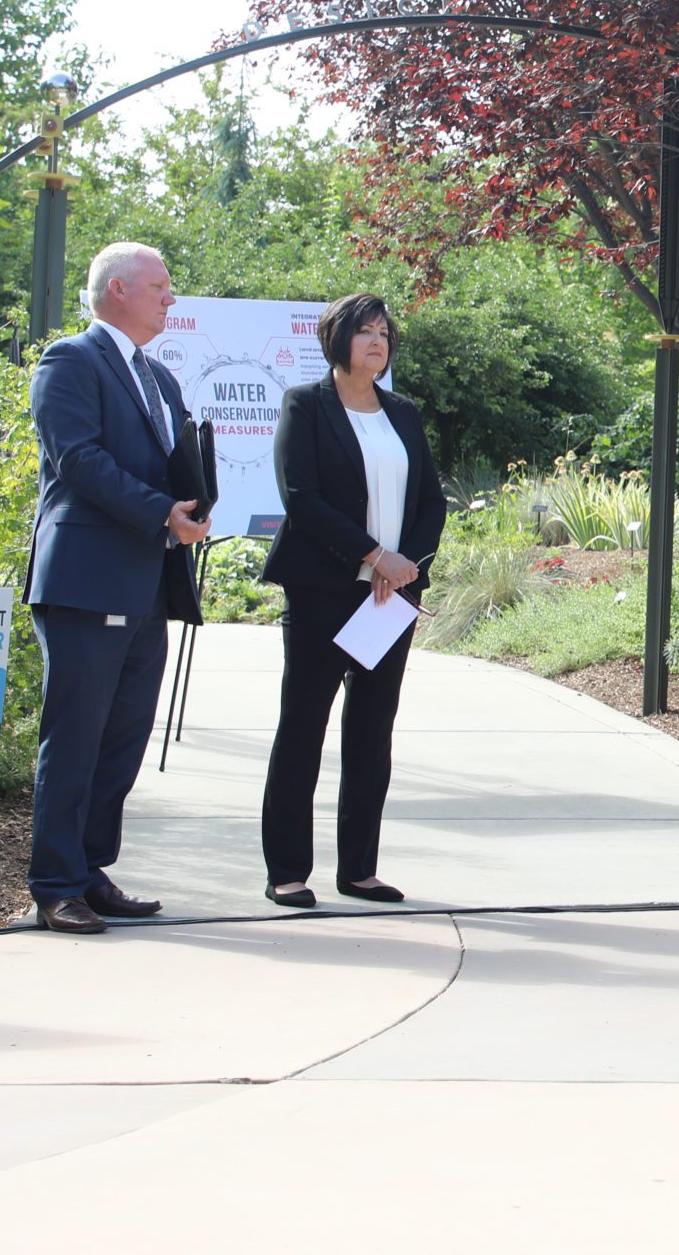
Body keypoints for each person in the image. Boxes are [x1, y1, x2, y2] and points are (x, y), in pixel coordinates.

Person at [22, 242, 210, 934]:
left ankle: (91, 869)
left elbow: (172, 463)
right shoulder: (70, 360)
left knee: (123, 735)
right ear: (118, 289)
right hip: (85, 578)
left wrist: (193, 503)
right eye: (160, 286)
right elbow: (78, 459)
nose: (170, 298)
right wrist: (161, 512)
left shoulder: (159, 377)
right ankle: (54, 884)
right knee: (75, 734)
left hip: (148, 582)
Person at [259, 294, 448, 910]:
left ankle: (359, 870)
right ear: (335, 340)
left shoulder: (404, 413)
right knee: (304, 727)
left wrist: (406, 565)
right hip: (324, 588)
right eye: (364, 331)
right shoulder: (306, 406)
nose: (377, 341)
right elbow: (302, 498)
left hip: (392, 596)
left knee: (372, 731)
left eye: (384, 333)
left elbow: (430, 501)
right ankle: (288, 871)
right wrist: (372, 555)